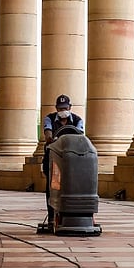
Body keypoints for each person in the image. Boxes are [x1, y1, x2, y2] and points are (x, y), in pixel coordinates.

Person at [42, 94, 84, 224]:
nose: (62, 111)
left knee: (72, 185)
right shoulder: (49, 118)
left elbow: (80, 135)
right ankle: (51, 216)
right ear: (56, 108)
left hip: (71, 159)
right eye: (60, 109)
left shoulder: (77, 120)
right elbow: (48, 133)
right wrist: (50, 137)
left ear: (70, 107)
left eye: (65, 108)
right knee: (52, 186)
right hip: (53, 157)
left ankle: (71, 213)